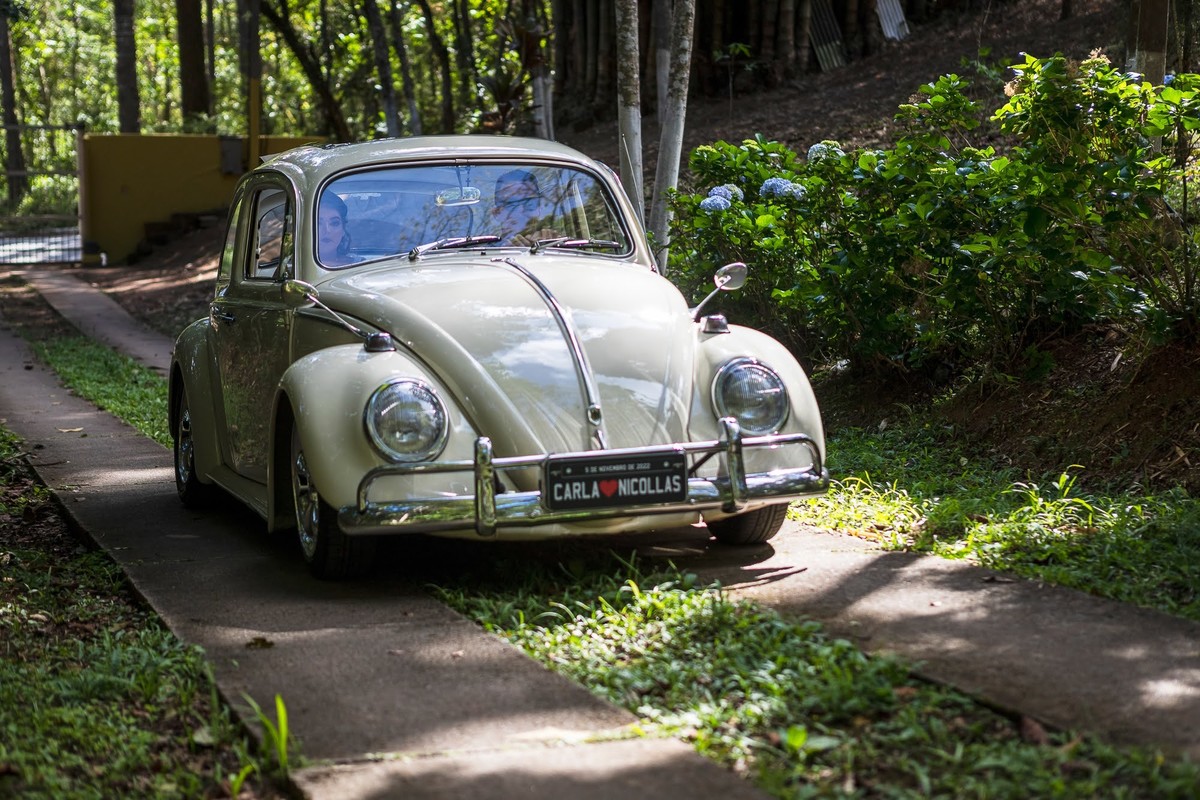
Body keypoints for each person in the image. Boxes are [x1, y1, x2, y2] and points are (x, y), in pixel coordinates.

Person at [489, 169, 561, 246]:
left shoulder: (558, 247)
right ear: (496, 213)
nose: (520, 210)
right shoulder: (480, 252)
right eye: (510, 203)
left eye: (530, 203)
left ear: (540, 209)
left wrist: (551, 248)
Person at [318, 193, 353, 265]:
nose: (327, 230)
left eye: (334, 223)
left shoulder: (360, 266)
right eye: (318, 223)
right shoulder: (292, 268)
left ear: (343, 230)